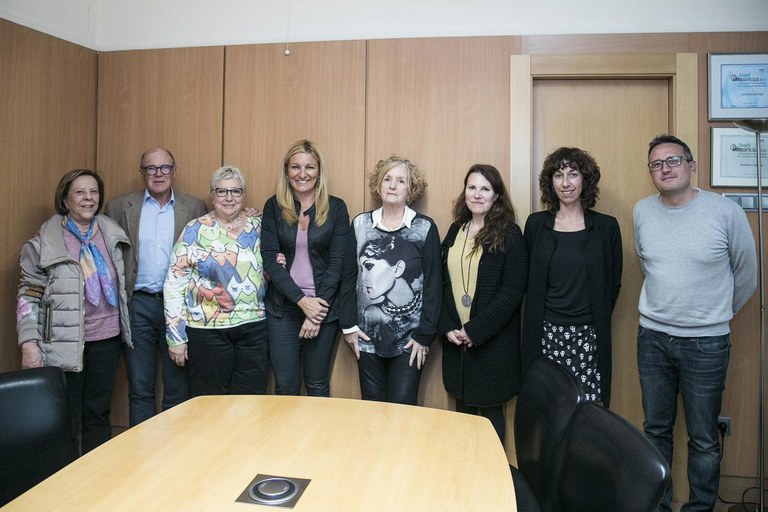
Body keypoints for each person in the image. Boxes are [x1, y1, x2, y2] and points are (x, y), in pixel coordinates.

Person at [634, 134, 757, 512]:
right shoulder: (642, 211)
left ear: (692, 165)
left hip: (706, 343)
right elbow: (647, 264)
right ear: (651, 174)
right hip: (652, 338)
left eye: (672, 161)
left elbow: (747, 274)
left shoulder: (725, 212)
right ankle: (660, 505)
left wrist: (713, 312)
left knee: (703, 437)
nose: (665, 169)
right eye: (656, 164)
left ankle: (700, 507)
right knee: (655, 430)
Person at [17, 169, 132, 455]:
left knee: (98, 413)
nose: (88, 198)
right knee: (64, 419)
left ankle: (96, 476)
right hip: (62, 343)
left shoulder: (111, 233)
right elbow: (29, 295)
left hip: (106, 339)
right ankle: (63, 482)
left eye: (93, 192)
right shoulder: (45, 241)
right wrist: (28, 343)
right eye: (80, 192)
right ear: (65, 199)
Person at [104, 147, 206, 426]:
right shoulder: (118, 207)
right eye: (151, 168)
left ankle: (173, 455)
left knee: (177, 387)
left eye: (165, 168)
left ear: (174, 171)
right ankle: (141, 457)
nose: (158, 174)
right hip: (138, 305)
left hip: (180, 308)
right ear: (142, 173)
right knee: (140, 388)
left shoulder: (195, 207)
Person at [522, 147, 622, 406]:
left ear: (585, 180)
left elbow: (613, 284)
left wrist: (587, 317)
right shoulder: (535, 225)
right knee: (547, 410)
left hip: (589, 336)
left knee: (587, 414)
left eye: (573, 174)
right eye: (558, 175)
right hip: (545, 335)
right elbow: (527, 282)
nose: (565, 183)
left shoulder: (606, 227)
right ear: (550, 182)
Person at [340, 155, 441, 405]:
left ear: (411, 189)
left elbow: (434, 285)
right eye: (387, 179)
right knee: (372, 411)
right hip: (366, 338)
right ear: (378, 185)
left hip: (410, 341)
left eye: (401, 181)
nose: (393, 185)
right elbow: (348, 278)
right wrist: (349, 326)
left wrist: (424, 335)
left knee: (403, 411)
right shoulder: (360, 224)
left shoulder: (424, 228)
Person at [438, 164, 527, 444]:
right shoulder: (455, 231)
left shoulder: (510, 234)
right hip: (457, 345)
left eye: (485, 189)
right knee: (462, 420)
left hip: (492, 346)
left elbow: (512, 292)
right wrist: (448, 326)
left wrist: (475, 331)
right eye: (472, 187)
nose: (477, 194)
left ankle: (493, 483)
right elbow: (440, 283)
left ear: (496, 196)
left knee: (489, 422)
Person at [163, 165, 268, 396]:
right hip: (206, 332)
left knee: (250, 403)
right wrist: (176, 338)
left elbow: (274, 267)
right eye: (222, 191)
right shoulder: (194, 230)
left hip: (253, 329)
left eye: (236, 191)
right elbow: (173, 285)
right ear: (212, 195)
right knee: (210, 405)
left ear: (244, 195)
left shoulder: (259, 227)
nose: (229, 198)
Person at [261, 140, 350, 396]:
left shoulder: (336, 208)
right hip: (283, 310)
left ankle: (319, 438)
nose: (302, 174)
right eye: (295, 167)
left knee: (317, 385)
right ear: (287, 171)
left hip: (323, 309)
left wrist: (315, 308)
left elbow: (337, 263)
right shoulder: (273, 207)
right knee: (286, 386)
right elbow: (270, 261)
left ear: (319, 171)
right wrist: (302, 302)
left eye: (310, 167)